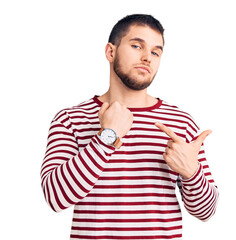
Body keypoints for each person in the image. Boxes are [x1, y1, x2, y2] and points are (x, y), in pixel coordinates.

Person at [40, 14, 219, 239]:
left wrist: (192, 173)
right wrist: (107, 137)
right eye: (137, 46)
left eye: (155, 52)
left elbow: (206, 212)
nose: (147, 57)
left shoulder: (181, 123)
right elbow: (55, 198)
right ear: (110, 52)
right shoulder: (71, 119)